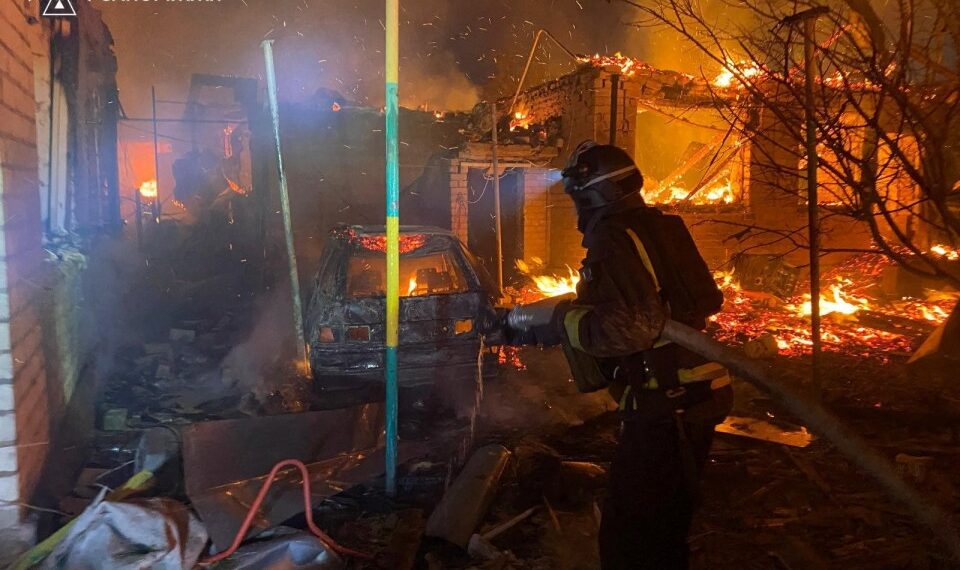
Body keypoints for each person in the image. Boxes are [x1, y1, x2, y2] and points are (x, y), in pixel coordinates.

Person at [507, 141, 733, 569]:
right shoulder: (654, 228)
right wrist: (531, 325)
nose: (576, 208)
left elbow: (629, 327)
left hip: (668, 404)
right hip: (694, 392)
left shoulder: (613, 238)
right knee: (665, 527)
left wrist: (564, 323)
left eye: (577, 196)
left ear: (594, 193)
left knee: (629, 537)